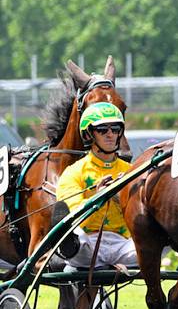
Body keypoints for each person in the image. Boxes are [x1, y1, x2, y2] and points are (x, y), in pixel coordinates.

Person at [54, 102, 136, 269]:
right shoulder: (73, 172)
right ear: (89, 135)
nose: (110, 135)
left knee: (157, 238)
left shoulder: (132, 171)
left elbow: (142, 215)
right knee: (77, 236)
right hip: (88, 243)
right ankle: (67, 244)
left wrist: (122, 197)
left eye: (115, 129)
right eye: (102, 130)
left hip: (124, 245)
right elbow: (76, 218)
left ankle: (103, 265)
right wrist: (98, 198)